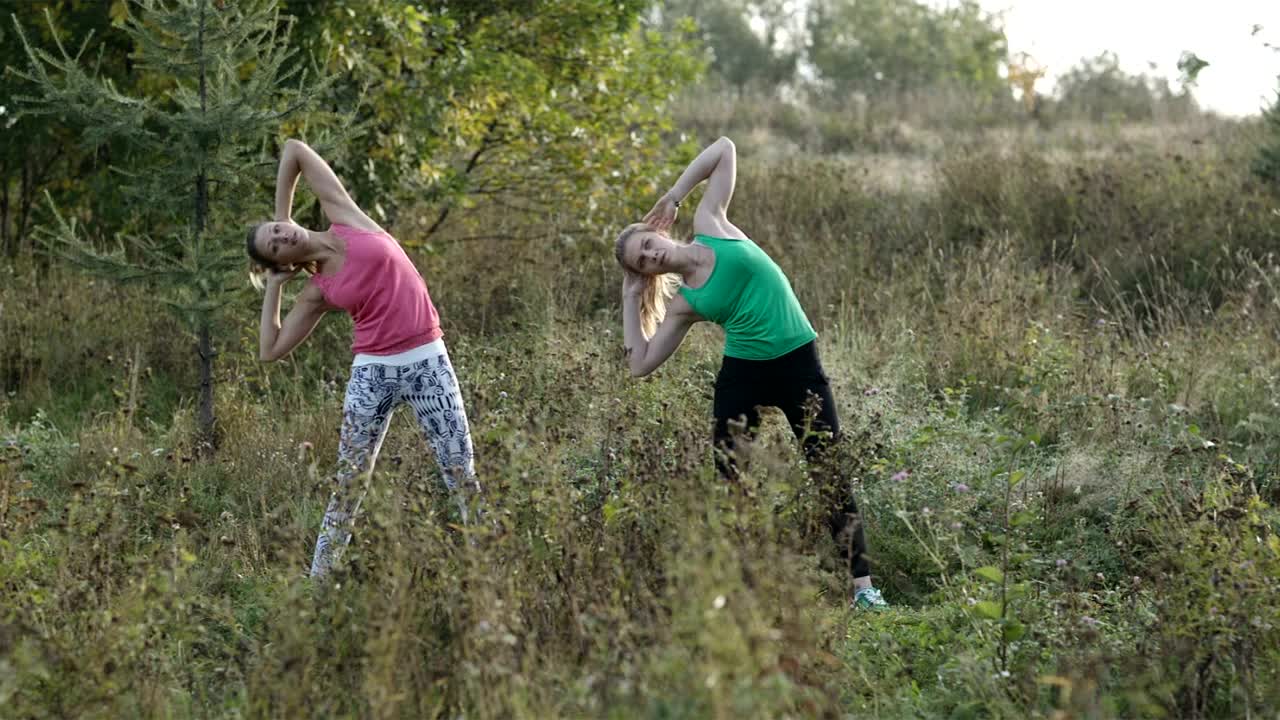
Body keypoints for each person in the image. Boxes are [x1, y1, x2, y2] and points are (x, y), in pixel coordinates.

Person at [614, 136, 888, 610]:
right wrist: (629, 296)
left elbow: (724, 148)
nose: (650, 256)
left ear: (658, 232)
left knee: (828, 473)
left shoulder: (711, 223)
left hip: (799, 365)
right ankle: (737, 589)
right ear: (646, 272)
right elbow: (639, 363)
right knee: (730, 481)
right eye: (641, 261)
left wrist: (674, 195)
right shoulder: (683, 305)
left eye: (647, 245)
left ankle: (864, 590)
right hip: (743, 374)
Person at [246, 138, 478, 578]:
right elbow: (269, 350)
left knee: (460, 472)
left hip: (427, 359)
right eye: (274, 245)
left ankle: (489, 577)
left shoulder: (344, 216)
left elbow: (294, 150)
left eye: (275, 230)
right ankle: (319, 589)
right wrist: (275, 286)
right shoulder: (317, 292)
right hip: (372, 373)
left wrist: (282, 215)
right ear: (281, 261)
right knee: (349, 484)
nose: (281, 235)